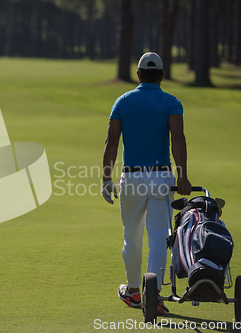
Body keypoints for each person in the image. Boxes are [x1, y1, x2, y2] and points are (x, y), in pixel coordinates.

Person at [101, 52, 192, 315]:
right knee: (158, 239)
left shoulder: (122, 101)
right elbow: (178, 138)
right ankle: (156, 298)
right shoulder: (171, 102)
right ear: (162, 76)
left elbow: (111, 143)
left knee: (131, 238)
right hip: (162, 178)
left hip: (132, 178)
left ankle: (133, 291)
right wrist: (183, 175)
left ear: (138, 74)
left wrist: (106, 177)